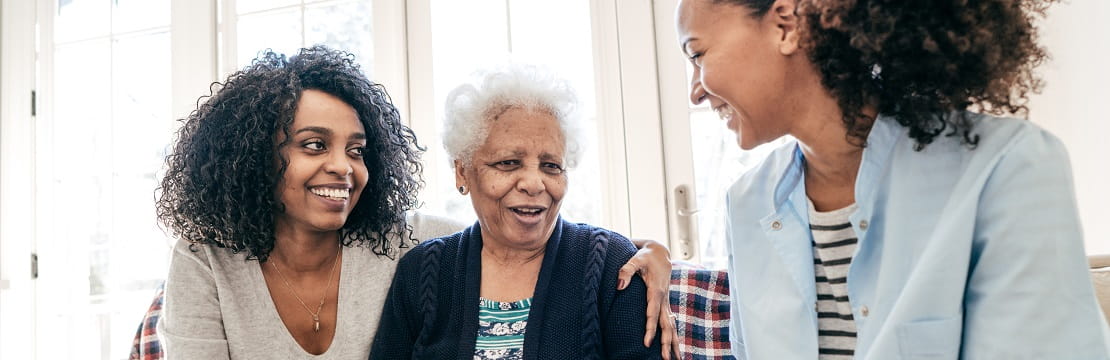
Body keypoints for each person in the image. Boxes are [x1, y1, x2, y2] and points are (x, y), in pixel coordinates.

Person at [155, 46, 676, 359]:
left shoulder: (401, 240)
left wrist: (651, 252)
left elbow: (514, 235)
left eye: (356, 150)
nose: (342, 166)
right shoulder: (206, 259)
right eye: (314, 144)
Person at [674, 0, 1110, 358]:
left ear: (785, 26)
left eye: (697, 54)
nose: (694, 89)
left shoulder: (1008, 168)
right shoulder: (746, 203)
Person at [370, 65, 664, 359]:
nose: (534, 184)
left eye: (551, 166)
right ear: (462, 172)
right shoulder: (422, 272)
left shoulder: (612, 266)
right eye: (508, 163)